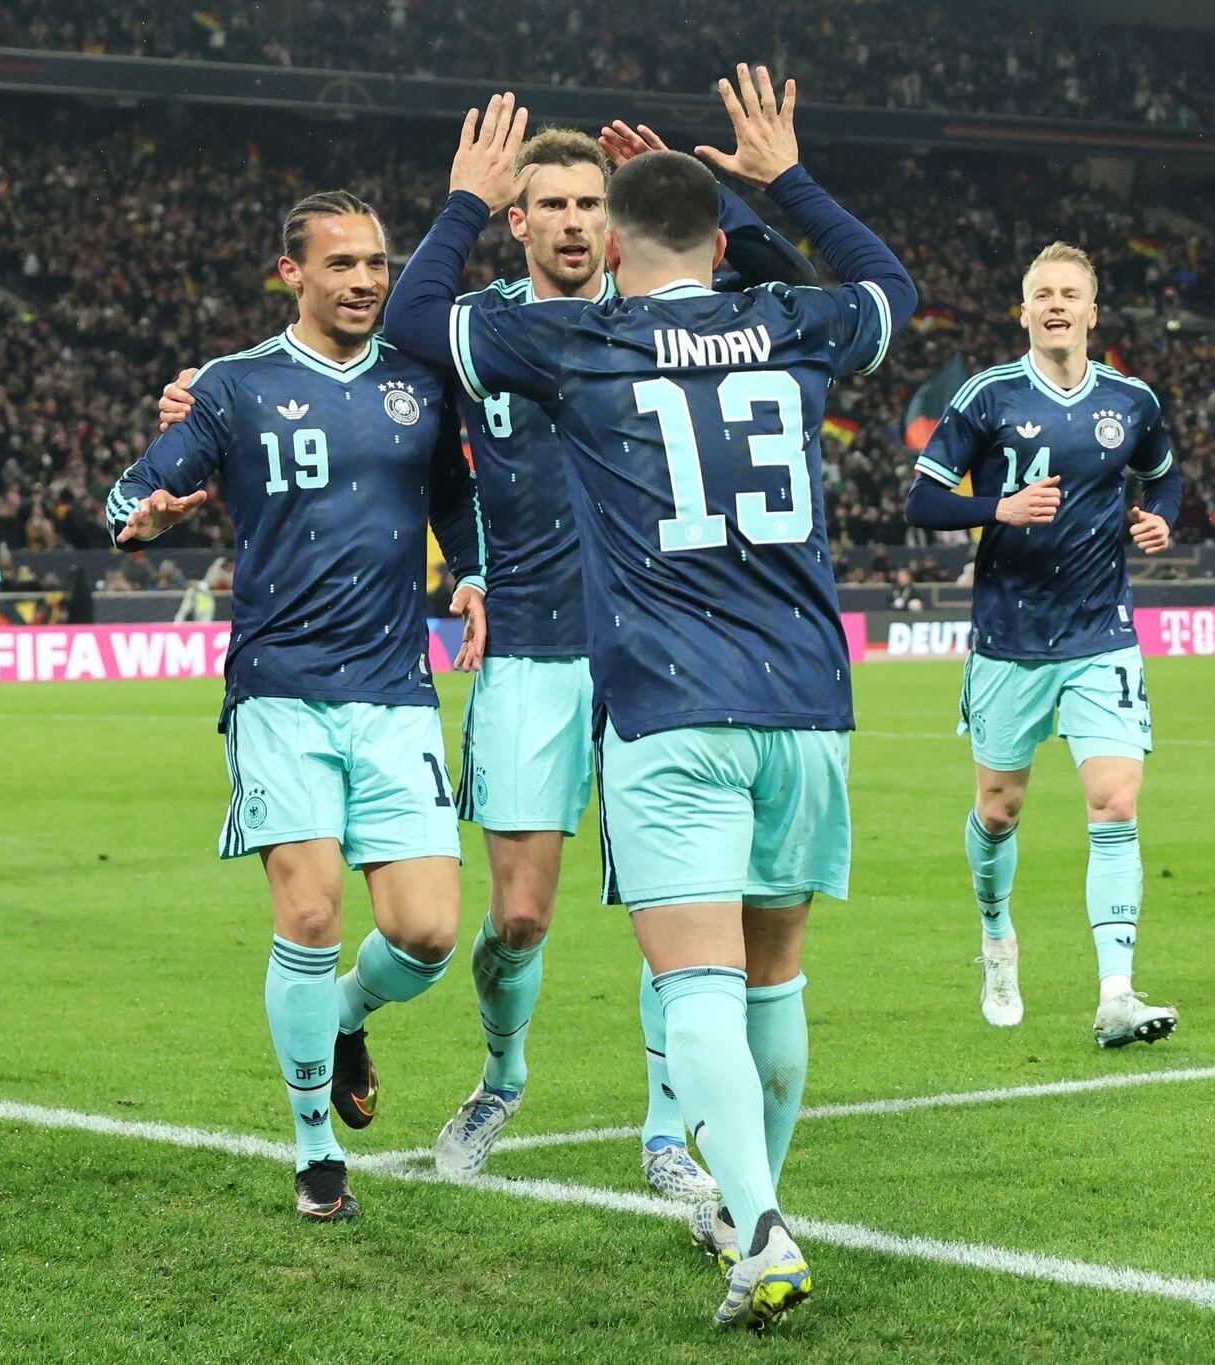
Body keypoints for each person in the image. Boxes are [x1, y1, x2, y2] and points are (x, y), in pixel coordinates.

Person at [155, 124, 810, 1200]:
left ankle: (665, 1134)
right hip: (532, 649)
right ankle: (495, 1074)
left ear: (617, 224)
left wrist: (713, 194)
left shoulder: (667, 321)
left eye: (592, 204)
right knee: (516, 920)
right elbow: (345, 378)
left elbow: (792, 294)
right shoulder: (469, 332)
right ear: (517, 220)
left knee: (682, 909)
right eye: (551, 204)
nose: (573, 223)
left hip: (662, 651)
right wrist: (203, 400)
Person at [383, 73, 913, 1331]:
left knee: (698, 985)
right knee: (773, 981)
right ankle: (745, 1207)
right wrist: (780, 183)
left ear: (611, 251)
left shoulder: (582, 340)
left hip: (672, 709)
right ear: (721, 247)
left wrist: (463, 203)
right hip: (808, 704)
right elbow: (887, 287)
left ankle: (759, 1228)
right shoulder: (789, 323)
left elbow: (412, 319)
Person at [105, 189, 487, 1223]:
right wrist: (147, 516)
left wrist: (471, 574)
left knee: (426, 935)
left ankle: (346, 1017)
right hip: (279, 689)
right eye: (341, 264)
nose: (365, 280)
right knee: (312, 915)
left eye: (376, 263)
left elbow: (456, 500)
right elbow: (127, 497)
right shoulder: (232, 386)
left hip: (395, 691)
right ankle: (316, 1153)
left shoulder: (418, 381)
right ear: (292, 274)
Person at [901, 242, 1183, 1047]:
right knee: (1000, 809)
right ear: (1022, 311)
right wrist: (998, 507)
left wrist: (1161, 517)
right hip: (1010, 638)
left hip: (1102, 632)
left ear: (1093, 311)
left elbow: (1165, 473)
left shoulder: (1131, 400)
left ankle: (1116, 992)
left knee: (1116, 801)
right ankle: (996, 935)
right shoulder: (987, 396)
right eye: (1042, 294)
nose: (1056, 304)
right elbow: (922, 501)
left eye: (1069, 294)